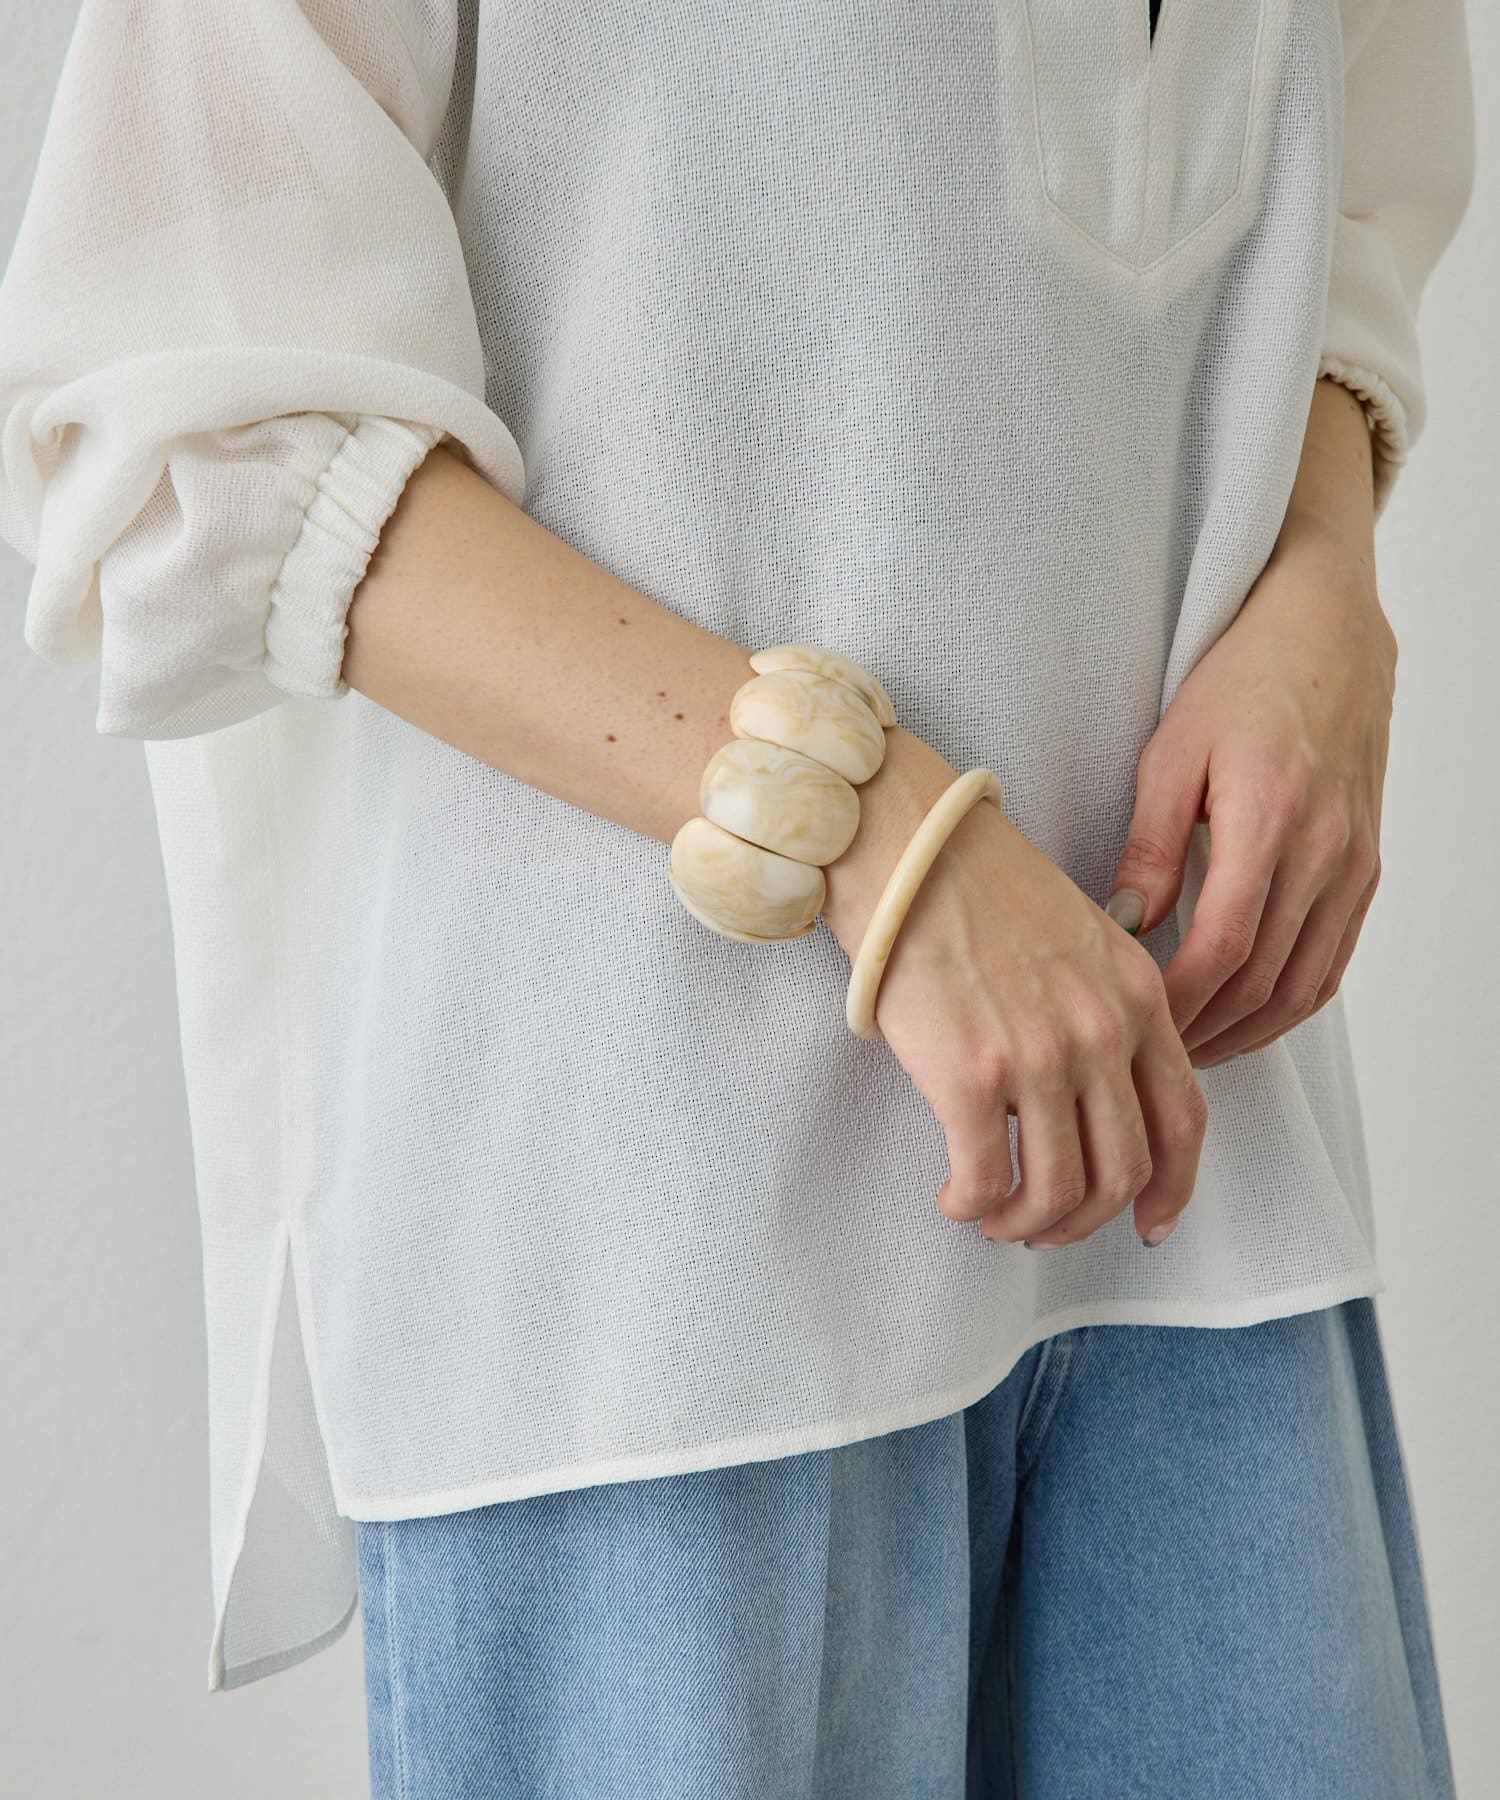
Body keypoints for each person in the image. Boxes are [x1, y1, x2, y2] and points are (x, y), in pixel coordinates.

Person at [0, 1, 1474, 1793]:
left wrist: (1323, 581)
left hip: (1208, 1184)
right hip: (657, 1275)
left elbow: (1354, 181)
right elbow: (190, 415)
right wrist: (866, 826)